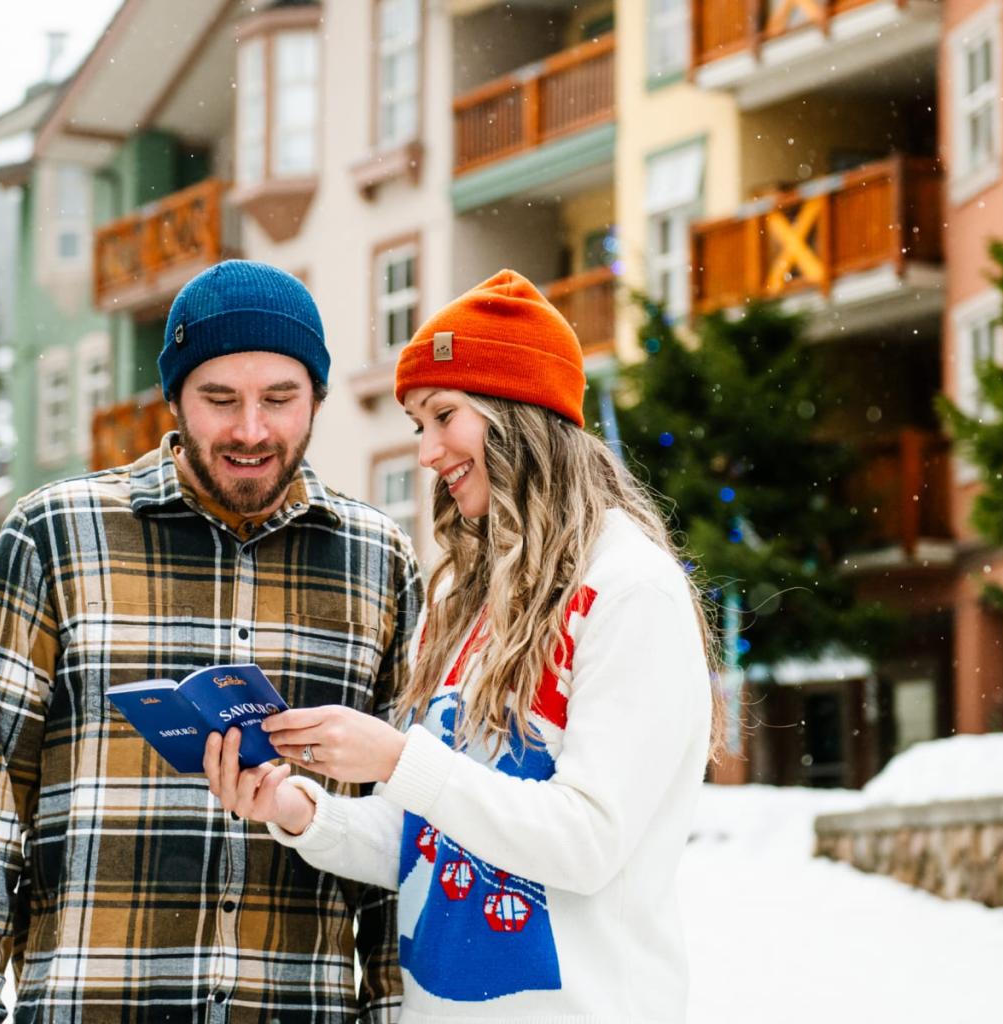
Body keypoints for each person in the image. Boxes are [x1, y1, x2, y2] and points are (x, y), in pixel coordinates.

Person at [0, 260, 423, 1023]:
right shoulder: (56, 537)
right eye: (220, 399)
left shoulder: (379, 562)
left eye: (280, 399)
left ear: (316, 398)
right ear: (175, 398)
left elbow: (401, 832)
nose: (251, 430)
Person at [205, 269, 721, 1022]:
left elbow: (587, 843)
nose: (427, 451)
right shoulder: (479, 606)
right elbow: (434, 846)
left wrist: (397, 758)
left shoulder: (629, 589)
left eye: (444, 415)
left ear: (521, 413)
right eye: (418, 424)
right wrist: (298, 809)